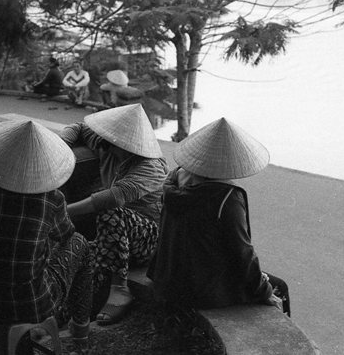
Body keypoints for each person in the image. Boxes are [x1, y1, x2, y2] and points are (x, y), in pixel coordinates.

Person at [0, 120, 95, 352]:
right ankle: (81, 331)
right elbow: (66, 235)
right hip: (28, 305)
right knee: (80, 244)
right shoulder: (50, 199)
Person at [147, 118, 290, 316]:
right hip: (202, 289)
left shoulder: (176, 178)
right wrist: (264, 291)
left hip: (168, 277)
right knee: (279, 287)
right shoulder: (226, 198)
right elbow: (241, 252)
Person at [59, 103, 168, 325]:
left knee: (111, 212)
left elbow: (111, 199)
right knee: (77, 254)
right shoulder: (106, 147)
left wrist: (61, 213)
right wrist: (60, 146)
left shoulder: (150, 166)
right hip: (114, 238)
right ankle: (65, 315)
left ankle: (120, 287)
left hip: (147, 238)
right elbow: (78, 127)